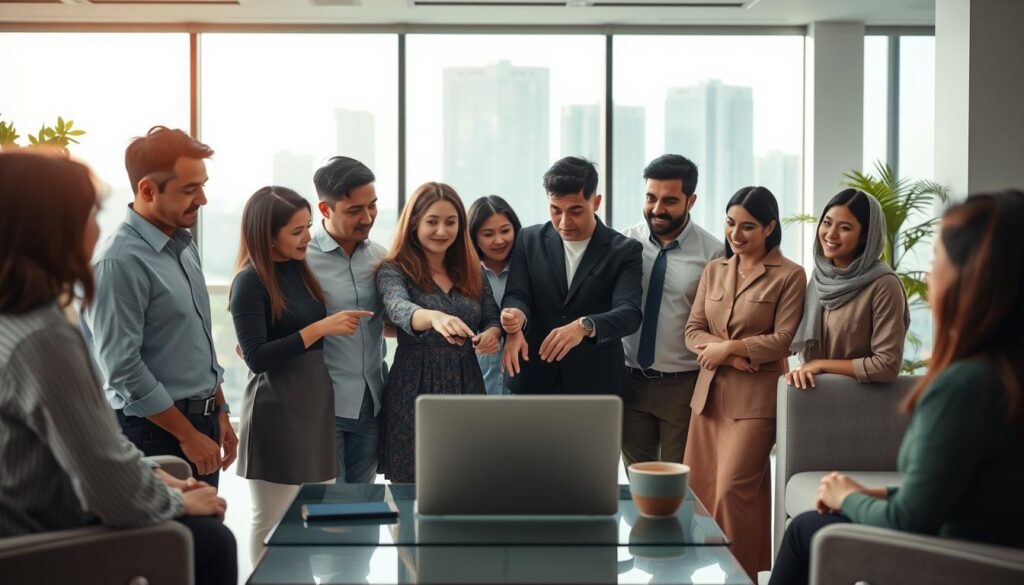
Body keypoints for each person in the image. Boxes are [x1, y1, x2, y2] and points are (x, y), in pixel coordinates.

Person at [0, 151, 237, 585]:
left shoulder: (18, 323)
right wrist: (178, 501)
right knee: (213, 541)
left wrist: (165, 481)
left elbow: (88, 453)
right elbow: (105, 482)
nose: (95, 227)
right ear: (50, 229)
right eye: (88, 214)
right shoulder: (45, 337)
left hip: (50, 515)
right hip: (47, 541)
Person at [769, 190, 1024, 585]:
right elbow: (972, 488)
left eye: (938, 261)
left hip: (965, 556)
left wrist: (847, 498)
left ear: (974, 279)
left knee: (805, 530)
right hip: (994, 539)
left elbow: (910, 519)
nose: (927, 277)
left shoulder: (966, 385)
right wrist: (872, 494)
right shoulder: (1003, 371)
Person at [81, 126, 237, 487]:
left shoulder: (182, 244)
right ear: (147, 189)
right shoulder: (118, 262)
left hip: (201, 422)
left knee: (201, 537)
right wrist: (187, 434)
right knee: (177, 541)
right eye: (189, 189)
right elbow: (122, 368)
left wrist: (220, 411)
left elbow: (196, 342)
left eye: (203, 185)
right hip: (155, 432)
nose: (203, 199)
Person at [230, 186, 372, 563]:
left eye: (308, 226)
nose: (308, 237)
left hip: (313, 407)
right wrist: (320, 329)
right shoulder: (251, 281)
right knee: (272, 519)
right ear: (267, 235)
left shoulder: (299, 270)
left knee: (308, 517)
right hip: (276, 410)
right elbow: (257, 357)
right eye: (297, 231)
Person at [683, 186, 806, 579]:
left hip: (756, 402)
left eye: (748, 226)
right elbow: (693, 330)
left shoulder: (790, 275)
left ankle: (740, 576)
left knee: (733, 490)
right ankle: (712, 572)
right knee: (701, 493)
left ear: (770, 227)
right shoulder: (715, 269)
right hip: (710, 398)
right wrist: (728, 353)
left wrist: (729, 347)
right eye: (731, 223)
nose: (736, 234)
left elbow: (783, 339)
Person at [376, 182, 501, 483]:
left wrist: (492, 333)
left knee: (470, 482)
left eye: (451, 222)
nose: (442, 231)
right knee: (411, 488)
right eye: (433, 221)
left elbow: (491, 316)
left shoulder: (473, 269)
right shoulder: (394, 269)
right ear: (415, 222)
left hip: (467, 382)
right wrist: (432, 317)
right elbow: (396, 306)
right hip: (413, 386)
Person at [501, 156, 643, 395]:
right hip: (534, 377)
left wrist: (584, 326)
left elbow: (630, 313)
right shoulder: (528, 239)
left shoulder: (624, 250)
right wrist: (516, 318)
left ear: (595, 202)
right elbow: (517, 295)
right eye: (555, 210)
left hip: (596, 383)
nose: (564, 222)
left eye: (575, 210)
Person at [620, 154, 723, 469]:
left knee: (680, 484)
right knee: (639, 484)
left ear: (691, 201)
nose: (657, 209)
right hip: (628, 380)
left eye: (669, 200)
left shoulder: (713, 253)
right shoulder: (625, 242)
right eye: (651, 197)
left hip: (682, 385)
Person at [306, 156, 388, 483]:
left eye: (373, 206)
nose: (367, 217)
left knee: (364, 507)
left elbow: (389, 319)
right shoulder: (302, 259)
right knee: (330, 515)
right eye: (354, 210)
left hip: (371, 404)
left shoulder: (381, 257)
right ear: (325, 210)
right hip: (323, 407)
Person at [787, 188, 910, 388]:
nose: (831, 234)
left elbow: (887, 364)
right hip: (813, 400)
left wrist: (821, 365)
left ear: (865, 236)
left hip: (858, 405)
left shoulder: (884, 284)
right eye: (827, 223)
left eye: (845, 228)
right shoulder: (820, 276)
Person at [468, 195, 522, 396]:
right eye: (488, 234)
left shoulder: (529, 272)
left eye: (505, 231)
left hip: (521, 383)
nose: (499, 240)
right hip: (478, 381)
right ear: (474, 237)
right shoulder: (464, 276)